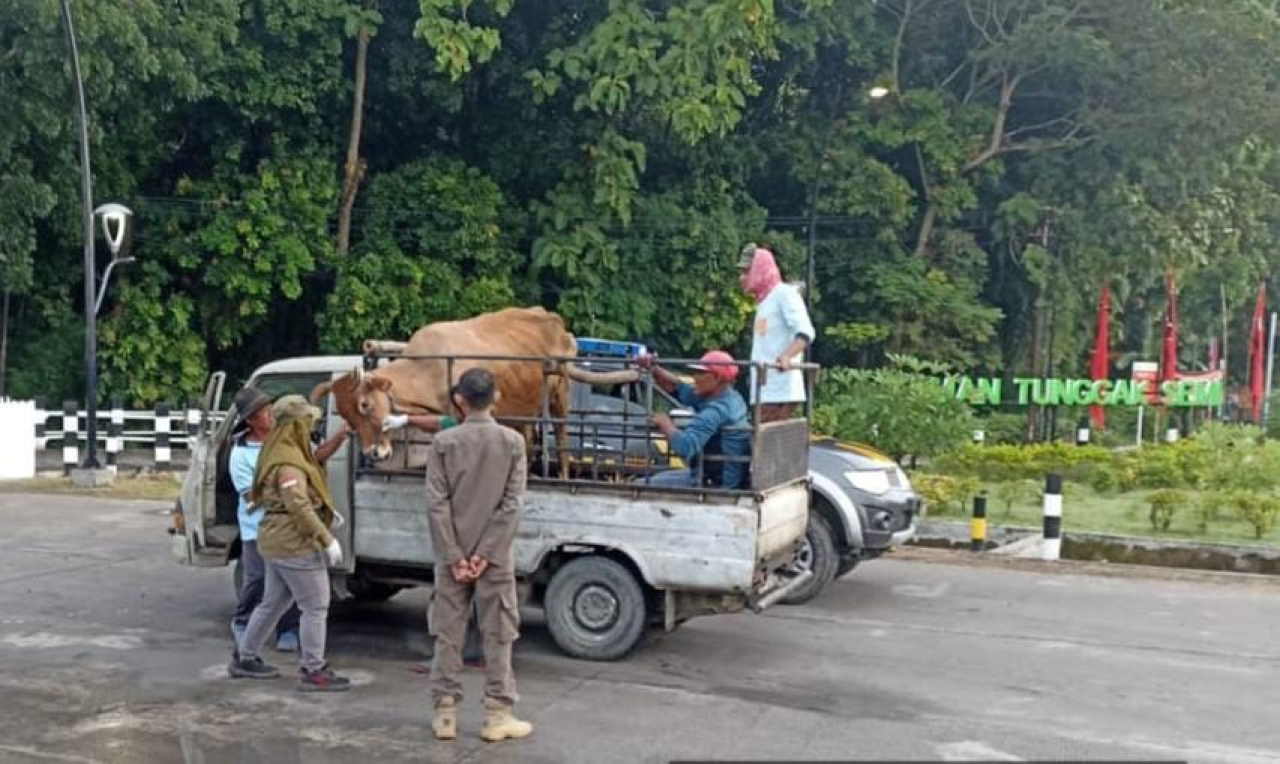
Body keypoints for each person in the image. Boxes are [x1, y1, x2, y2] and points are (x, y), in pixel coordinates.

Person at [425, 368, 533, 742]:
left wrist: (455, 556)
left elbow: (436, 505)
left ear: (460, 400)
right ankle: (497, 715)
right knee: (499, 635)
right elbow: (511, 505)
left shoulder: (443, 443)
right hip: (496, 557)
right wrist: (485, 555)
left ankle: (445, 715)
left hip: (450, 557)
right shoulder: (513, 442)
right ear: (496, 397)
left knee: (447, 633)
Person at [228, 395, 353, 692]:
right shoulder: (287, 461)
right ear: (296, 424)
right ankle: (314, 670)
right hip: (293, 542)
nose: (312, 424)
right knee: (316, 605)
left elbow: (315, 462)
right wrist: (326, 538)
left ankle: (245, 657)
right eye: (308, 420)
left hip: (275, 539)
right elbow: (297, 504)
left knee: (273, 602)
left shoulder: (285, 449)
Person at [229, 387, 300, 652]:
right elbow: (251, 498)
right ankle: (242, 621)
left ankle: (288, 628)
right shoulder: (241, 455)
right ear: (251, 420)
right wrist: (289, 493)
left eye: (271, 409)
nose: (271, 416)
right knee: (257, 579)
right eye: (264, 412)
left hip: (284, 526)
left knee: (288, 580)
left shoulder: (284, 441)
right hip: (256, 528)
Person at [638, 350, 750, 489]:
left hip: (713, 483)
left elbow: (686, 447)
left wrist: (665, 424)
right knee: (654, 478)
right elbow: (676, 387)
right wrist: (654, 369)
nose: (694, 377)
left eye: (700, 373)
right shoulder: (731, 397)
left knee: (639, 486)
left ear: (717, 378)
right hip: (720, 476)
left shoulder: (716, 411)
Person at [738, 243, 816, 422]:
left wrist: (787, 356)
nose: (741, 278)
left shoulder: (785, 294)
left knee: (769, 443)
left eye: (746, 272)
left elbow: (805, 331)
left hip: (780, 390)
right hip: (764, 389)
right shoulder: (764, 302)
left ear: (759, 270)